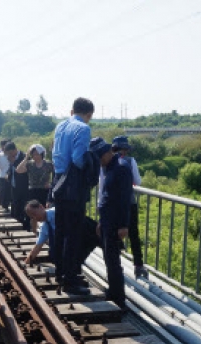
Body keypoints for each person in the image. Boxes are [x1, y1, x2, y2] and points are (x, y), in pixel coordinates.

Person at [51, 97, 95, 294]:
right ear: (88, 114)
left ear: (72, 110)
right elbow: (78, 159)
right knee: (74, 233)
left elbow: (55, 154)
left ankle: (60, 272)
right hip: (73, 187)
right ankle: (70, 279)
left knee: (60, 230)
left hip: (58, 182)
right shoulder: (83, 129)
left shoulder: (61, 126)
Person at [91, 137, 132, 309]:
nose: (98, 162)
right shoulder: (108, 167)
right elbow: (105, 196)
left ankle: (119, 299)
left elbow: (124, 199)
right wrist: (101, 220)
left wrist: (123, 225)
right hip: (107, 220)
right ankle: (113, 291)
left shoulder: (121, 168)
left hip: (116, 222)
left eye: (99, 157)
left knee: (114, 261)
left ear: (107, 153)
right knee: (109, 258)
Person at [23, 200, 100, 272]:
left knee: (109, 251)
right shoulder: (45, 227)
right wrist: (26, 263)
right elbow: (38, 246)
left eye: (34, 214)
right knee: (71, 262)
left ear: (41, 207)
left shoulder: (58, 211)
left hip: (88, 230)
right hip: (78, 240)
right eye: (32, 217)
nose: (35, 218)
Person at [112, 136, 148, 279]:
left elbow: (102, 183)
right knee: (133, 234)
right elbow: (137, 181)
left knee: (114, 234)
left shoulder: (107, 161)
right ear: (125, 149)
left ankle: (115, 265)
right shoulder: (130, 161)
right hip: (128, 202)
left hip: (112, 203)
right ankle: (138, 266)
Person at [16, 144, 54, 233]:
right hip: (33, 190)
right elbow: (18, 170)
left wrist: (51, 184)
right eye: (33, 154)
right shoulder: (30, 164)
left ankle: (46, 232)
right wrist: (26, 158)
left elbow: (57, 175)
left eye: (37, 154)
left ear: (42, 154)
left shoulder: (48, 164)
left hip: (45, 191)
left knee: (46, 212)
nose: (35, 156)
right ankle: (34, 232)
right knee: (33, 212)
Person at [5, 142, 29, 230]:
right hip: (13, 186)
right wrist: (8, 173)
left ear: (15, 149)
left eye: (10, 152)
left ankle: (24, 226)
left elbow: (21, 169)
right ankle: (16, 223)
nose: (9, 155)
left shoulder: (23, 156)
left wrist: (13, 162)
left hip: (23, 186)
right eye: (8, 153)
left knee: (23, 206)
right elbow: (11, 169)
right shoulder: (11, 158)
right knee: (15, 205)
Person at [0, 139, 12, 210]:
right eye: (3, 146)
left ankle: (6, 206)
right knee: (2, 192)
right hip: (1, 176)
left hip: (9, 177)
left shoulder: (11, 155)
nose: (4, 148)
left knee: (8, 193)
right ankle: (2, 206)